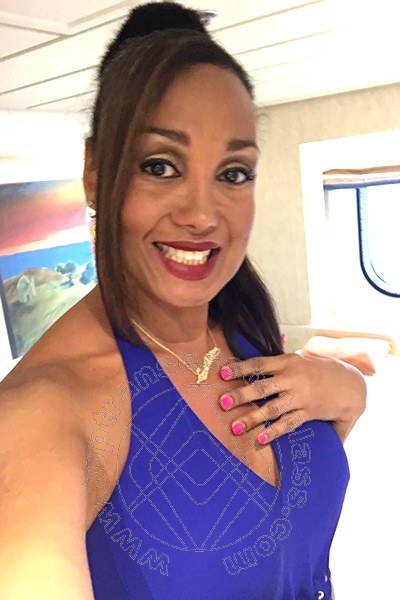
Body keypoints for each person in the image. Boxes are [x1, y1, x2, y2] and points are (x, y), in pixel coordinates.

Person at [0, 2, 366, 599]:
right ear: (95, 172)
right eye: (160, 165)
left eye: (233, 173)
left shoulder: (239, 323)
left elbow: (285, 517)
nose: (202, 215)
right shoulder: (43, 413)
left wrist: (349, 391)